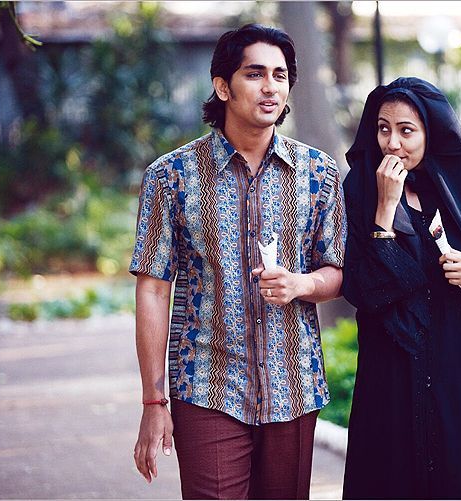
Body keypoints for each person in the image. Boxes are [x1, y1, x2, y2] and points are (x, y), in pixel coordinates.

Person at [129, 24, 346, 500]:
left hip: (293, 387)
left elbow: (337, 272)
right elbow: (153, 287)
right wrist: (153, 401)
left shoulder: (318, 173)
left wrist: (302, 285)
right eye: (255, 74)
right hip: (206, 386)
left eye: (280, 75)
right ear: (223, 86)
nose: (270, 87)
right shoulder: (171, 176)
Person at [341, 77, 461, 499]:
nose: (393, 143)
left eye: (406, 130)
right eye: (383, 128)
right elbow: (364, 289)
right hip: (390, 379)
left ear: (430, 134)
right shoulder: (360, 192)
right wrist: (385, 208)